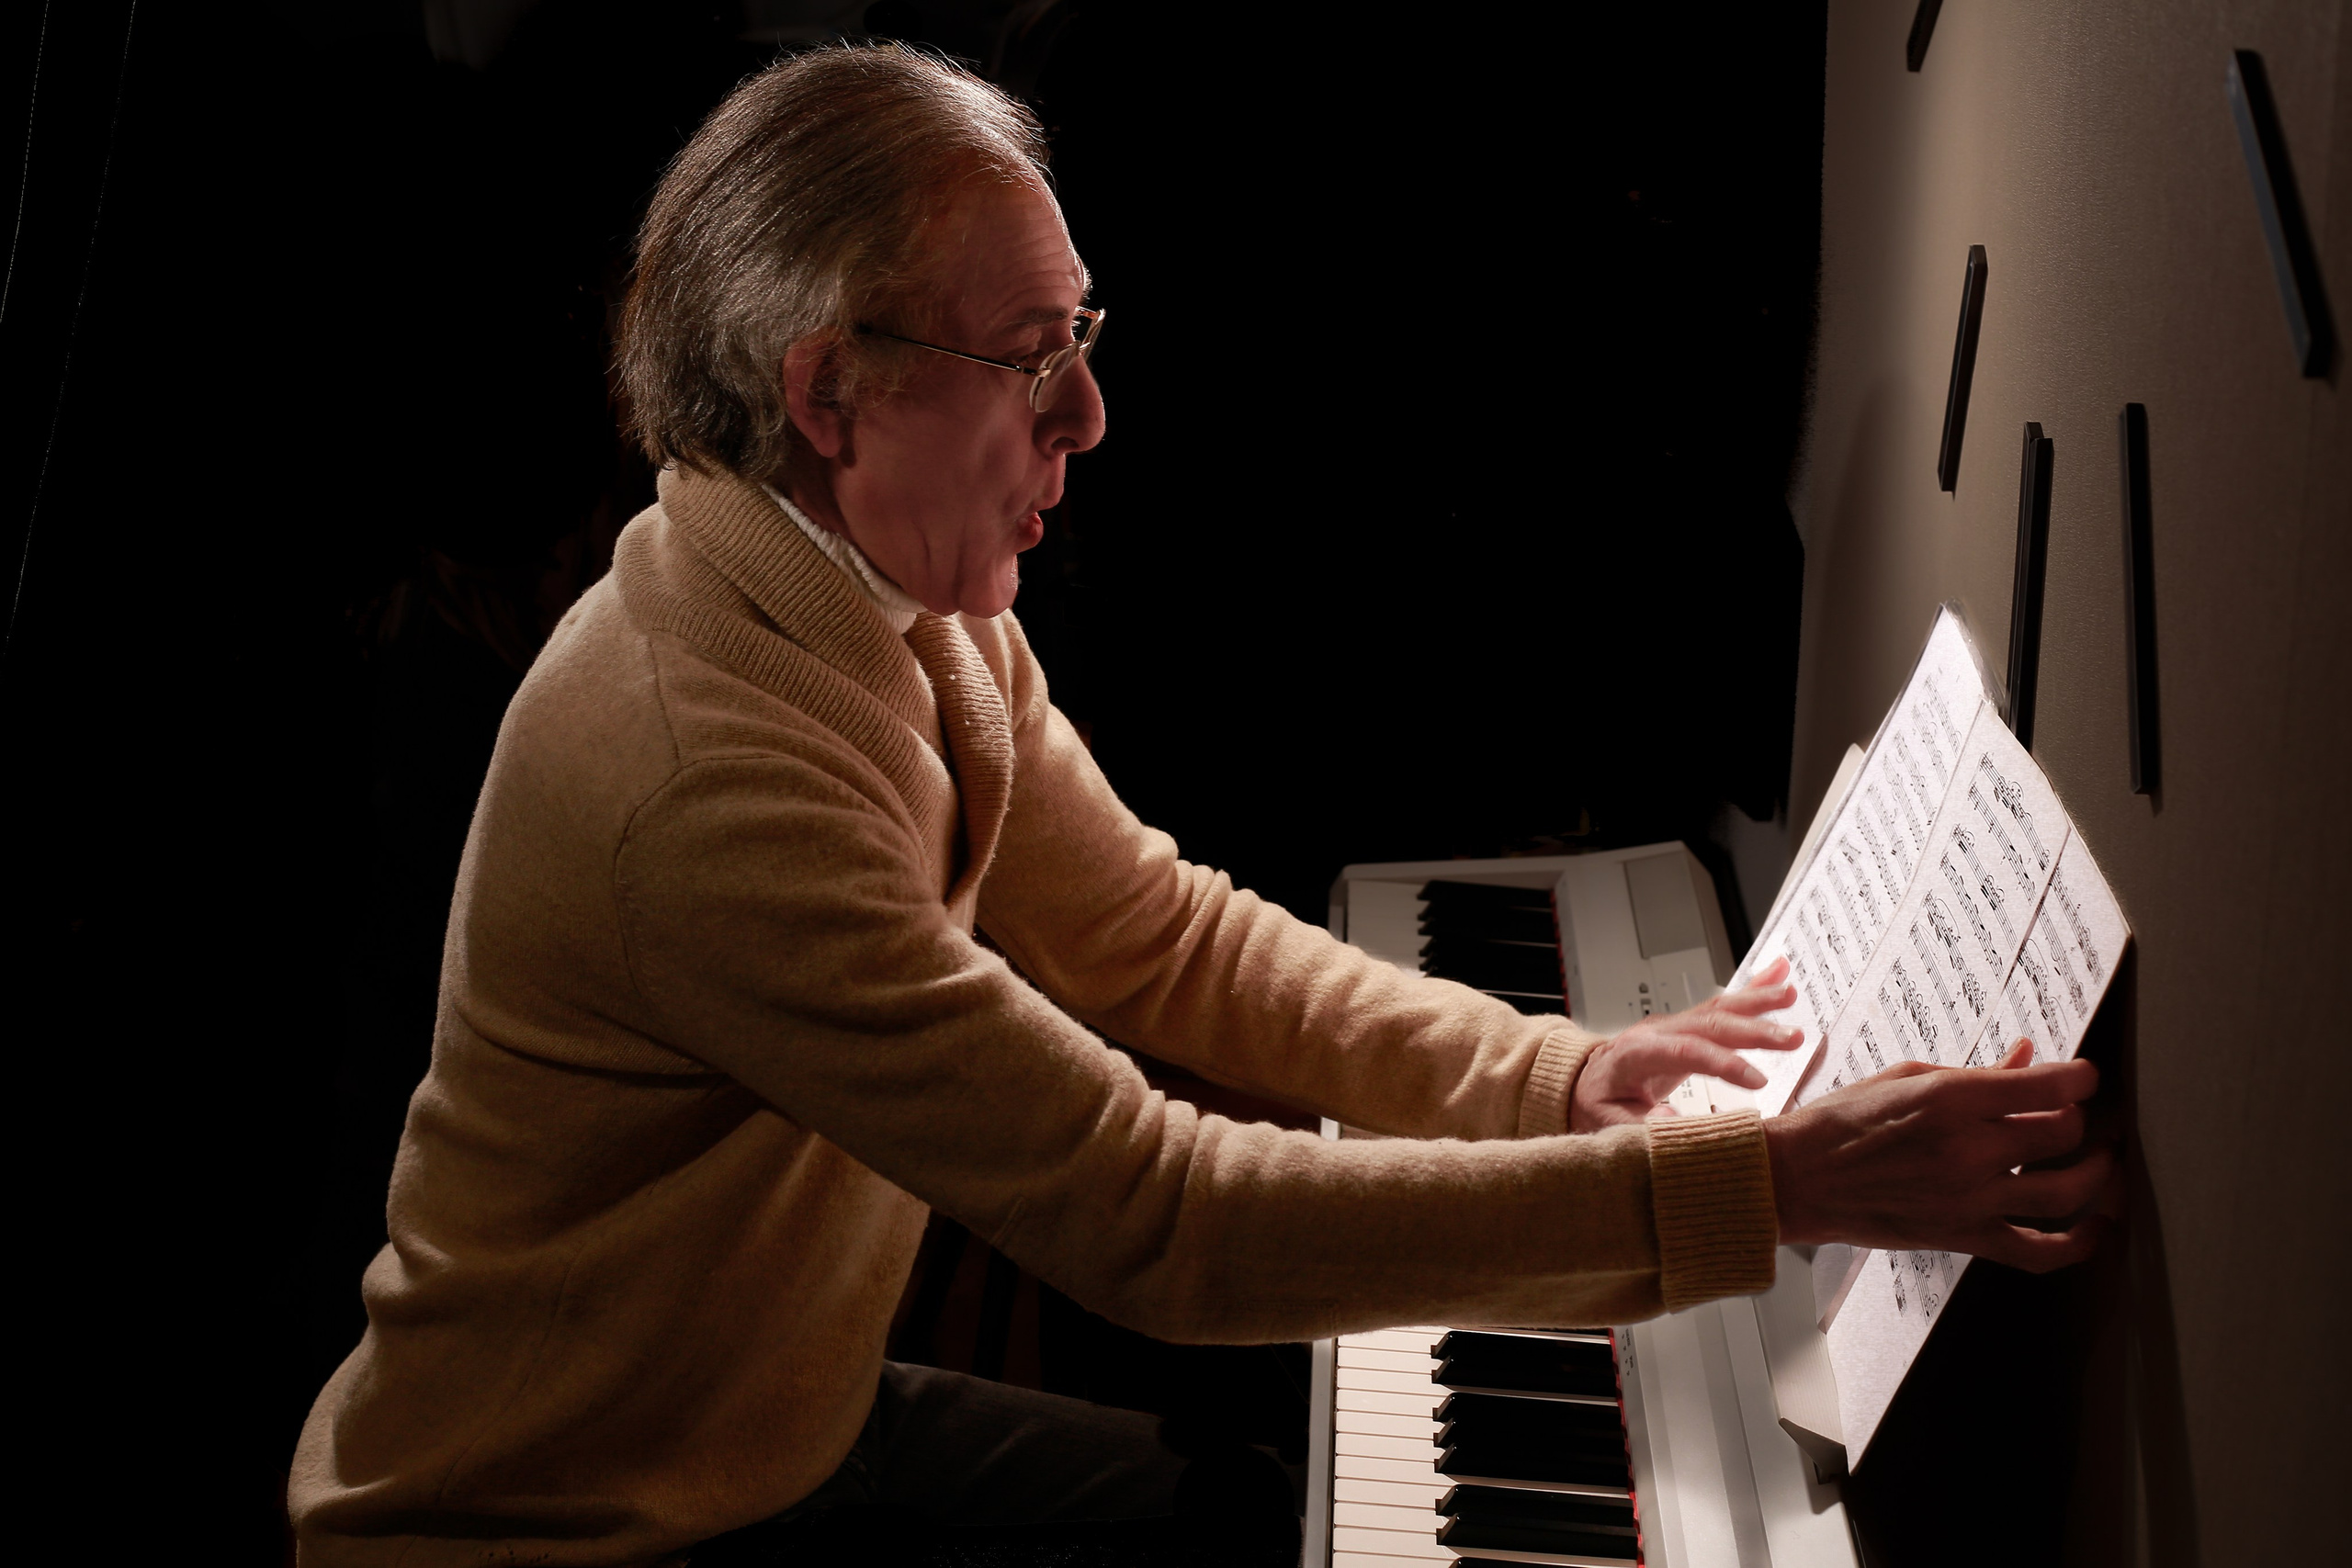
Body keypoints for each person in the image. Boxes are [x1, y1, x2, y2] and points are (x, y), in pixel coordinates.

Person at [288, 43, 2110, 1567]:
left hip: (766, 1419)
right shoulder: (711, 781)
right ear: (834, 394)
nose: (1085, 415)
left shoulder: (887, 595)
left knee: (1244, 1513)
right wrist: (1757, 1187)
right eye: (1028, 359)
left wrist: (1555, 1074)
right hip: (556, 1525)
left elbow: (1156, 935)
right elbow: (1163, 1220)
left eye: (1082, 331)